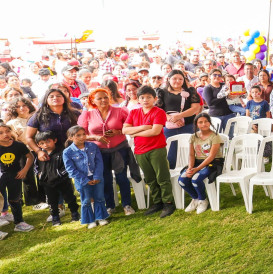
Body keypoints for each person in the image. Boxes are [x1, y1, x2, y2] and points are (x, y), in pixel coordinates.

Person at [78, 88, 136, 214]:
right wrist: (95, 137)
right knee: (105, 178)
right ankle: (110, 206)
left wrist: (118, 131)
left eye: (105, 97)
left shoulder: (120, 111)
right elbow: (81, 135)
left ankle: (127, 205)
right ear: (93, 100)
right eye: (99, 98)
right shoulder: (87, 114)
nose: (103, 100)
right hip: (99, 152)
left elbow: (130, 127)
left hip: (119, 149)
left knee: (122, 177)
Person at [123, 85, 175, 218]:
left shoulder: (158, 112)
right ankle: (157, 202)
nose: (145, 100)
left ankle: (168, 202)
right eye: (142, 97)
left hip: (156, 149)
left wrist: (136, 132)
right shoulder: (134, 112)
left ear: (155, 99)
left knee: (162, 177)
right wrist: (144, 127)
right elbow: (125, 130)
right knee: (150, 178)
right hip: (140, 151)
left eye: (148, 97)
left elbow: (156, 131)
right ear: (138, 99)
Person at [63, 125, 110, 228]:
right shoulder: (67, 152)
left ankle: (100, 217)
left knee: (99, 197)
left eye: (84, 134)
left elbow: (99, 162)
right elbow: (70, 169)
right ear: (71, 138)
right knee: (86, 200)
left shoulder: (93, 146)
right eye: (78, 135)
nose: (82, 137)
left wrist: (97, 176)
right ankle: (90, 220)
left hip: (96, 177)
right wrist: (84, 180)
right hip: (82, 180)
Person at [177, 113, 221, 214]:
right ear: (196, 124)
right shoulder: (193, 137)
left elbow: (211, 157)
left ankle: (203, 200)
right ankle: (195, 198)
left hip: (212, 163)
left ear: (210, 122)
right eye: (200, 122)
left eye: (206, 121)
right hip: (197, 162)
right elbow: (191, 155)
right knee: (182, 180)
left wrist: (196, 170)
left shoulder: (215, 136)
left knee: (196, 179)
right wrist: (190, 168)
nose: (204, 124)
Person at [0, 124, 34, 231]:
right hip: (1, 176)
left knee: (15, 199)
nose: (5, 134)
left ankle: (19, 222)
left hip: (15, 176)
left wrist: (24, 170)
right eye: (1, 133)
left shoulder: (19, 145)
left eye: (7, 131)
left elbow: (30, 157)